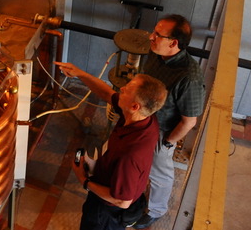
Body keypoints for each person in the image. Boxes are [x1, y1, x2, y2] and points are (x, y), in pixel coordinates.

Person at [53, 64, 168, 230]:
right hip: (109, 189)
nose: (121, 88)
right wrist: (80, 73)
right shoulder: (144, 118)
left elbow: (123, 201)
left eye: (126, 90)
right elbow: (107, 93)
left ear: (135, 106)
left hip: (106, 212)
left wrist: (84, 181)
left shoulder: (130, 154)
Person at [132, 14, 205, 229]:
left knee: (159, 173)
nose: (151, 37)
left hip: (160, 131)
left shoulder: (189, 77)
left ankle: (156, 210)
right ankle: (132, 194)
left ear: (173, 43)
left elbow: (189, 121)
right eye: (153, 31)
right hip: (141, 119)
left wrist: (167, 143)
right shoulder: (155, 54)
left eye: (157, 35)